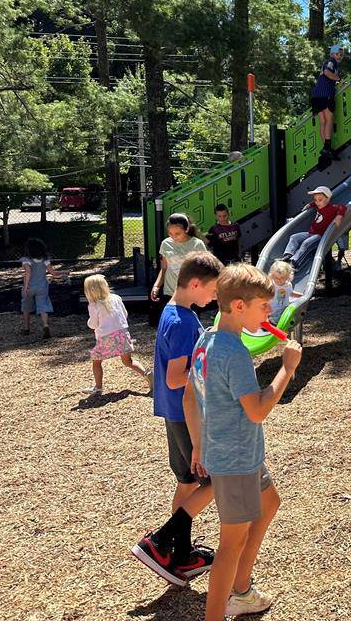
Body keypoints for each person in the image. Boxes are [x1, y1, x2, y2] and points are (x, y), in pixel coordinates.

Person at [186, 264, 302, 620]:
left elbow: (190, 395)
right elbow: (257, 410)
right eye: (264, 307)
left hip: (237, 453)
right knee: (230, 544)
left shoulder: (206, 338)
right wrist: (287, 369)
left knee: (269, 503)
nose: (269, 313)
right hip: (235, 459)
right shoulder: (234, 352)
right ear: (239, 306)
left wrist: (199, 445)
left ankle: (242, 589)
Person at [132, 250, 223, 587]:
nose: (215, 297)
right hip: (186, 414)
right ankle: (159, 542)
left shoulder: (173, 311)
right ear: (195, 284)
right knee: (215, 481)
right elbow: (174, 379)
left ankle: (181, 554)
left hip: (175, 412)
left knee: (186, 481)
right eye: (213, 290)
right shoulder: (183, 322)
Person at [84, 274, 151, 395]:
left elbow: (94, 324)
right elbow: (124, 314)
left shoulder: (94, 305)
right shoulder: (116, 298)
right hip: (122, 334)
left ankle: (98, 387)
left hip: (106, 338)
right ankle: (147, 374)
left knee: (96, 361)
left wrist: (89, 323)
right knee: (128, 361)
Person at [150, 213, 208, 324]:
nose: (173, 237)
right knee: (171, 323)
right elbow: (164, 268)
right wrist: (156, 286)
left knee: (190, 324)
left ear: (186, 229)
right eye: (170, 233)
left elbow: (204, 270)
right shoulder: (165, 244)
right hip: (170, 292)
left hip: (190, 293)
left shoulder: (197, 244)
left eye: (177, 233)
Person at [281, 187, 346, 268]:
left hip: (320, 236)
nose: (317, 202)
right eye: (315, 200)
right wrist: (310, 204)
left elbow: (343, 207)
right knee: (294, 237)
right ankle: (288, 255)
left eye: (320, 200)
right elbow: (315, 203)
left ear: (328, 199)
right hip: (311, 233)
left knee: (306, 243)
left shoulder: (331, 208)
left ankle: (294, 262)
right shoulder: (319, 205)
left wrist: (339, 216)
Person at [19, 237, 66, 338]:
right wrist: (64, 272)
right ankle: (45, 325)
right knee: (43, 306)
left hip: (29, 288)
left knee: (26, 307)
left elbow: (28, 272)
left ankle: (26, 328)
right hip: (42, 287)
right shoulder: (45, 260)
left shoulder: (26, 260)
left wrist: (26, 286)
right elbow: (53, 273)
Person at [311, 46, 343, 162]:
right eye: (338, 54)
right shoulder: (331, 61)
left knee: (323, 121)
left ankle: (326, 148)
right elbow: (327, 72)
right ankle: (327, 147)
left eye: (341, 55)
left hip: (316, 94)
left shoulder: (330, 62)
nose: (340, 57)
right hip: (325, 94)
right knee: (330, 118)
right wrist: (339, 79)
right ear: (332, 54)